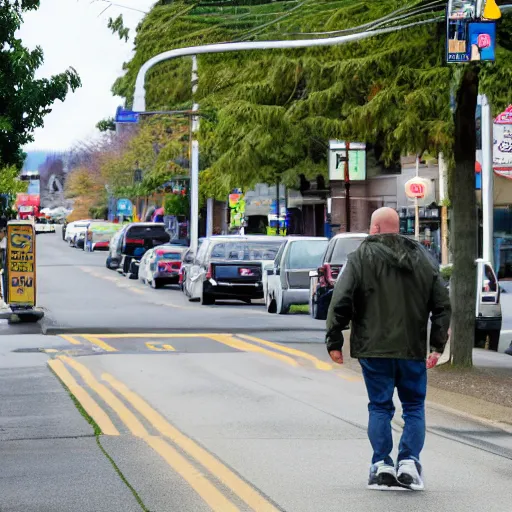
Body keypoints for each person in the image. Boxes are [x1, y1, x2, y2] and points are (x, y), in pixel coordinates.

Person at [325, 207, 451, 491]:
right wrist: (436, 346)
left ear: (377, 228)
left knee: (380, 406)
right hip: (412, 348)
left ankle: (382, 464)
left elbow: (340, 300)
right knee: (414, 407)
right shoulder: (423, 259)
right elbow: (443, 305)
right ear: (397, 227)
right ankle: (408, 462)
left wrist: (334, 340)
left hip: (373, 348)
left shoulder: (359, 259)